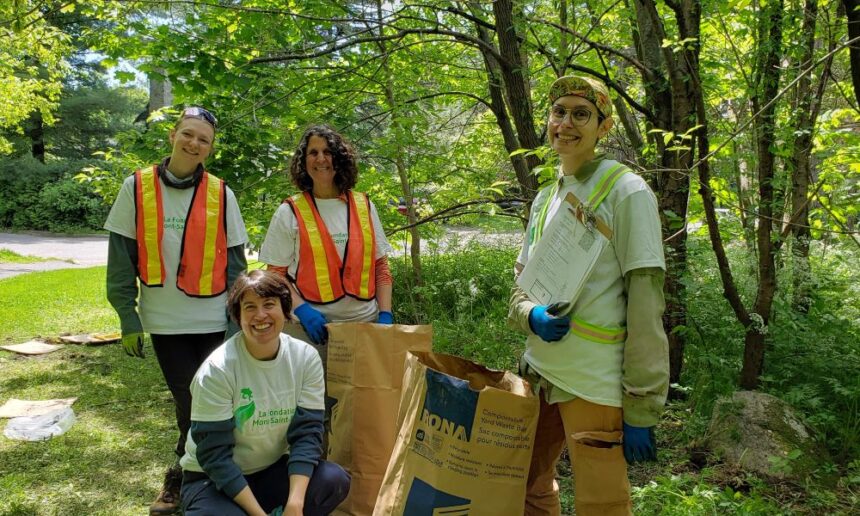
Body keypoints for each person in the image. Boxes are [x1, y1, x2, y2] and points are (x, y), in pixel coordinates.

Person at [508, 75, 669, 516]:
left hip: (594, 382)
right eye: (559, 112)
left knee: (602, 502)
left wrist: (642, 404)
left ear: (604, 126)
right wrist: (531, 314)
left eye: (581, 114)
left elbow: (645, 299)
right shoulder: (546, 198)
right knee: (525, 483)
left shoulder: (627, 191)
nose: (567, 123)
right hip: (540, 372)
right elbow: (521, 285)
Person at [104, 106, 248, 515]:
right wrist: (127, 317)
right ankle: (189, 478)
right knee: (190, 401)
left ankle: (196, 475)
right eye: (188, 134)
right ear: (172, 135)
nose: (194, 143)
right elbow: (120, 258)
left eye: (203, 139)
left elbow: (236, 263)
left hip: (214, 321)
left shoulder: (222, 193)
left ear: (210, 149)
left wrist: (236, 318)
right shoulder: (136, 187)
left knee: (216, 400)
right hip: (165, 321)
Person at [179, 270, 351, 515]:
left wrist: (295, 503)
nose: (260, 315)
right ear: (238, 317)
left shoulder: (305, 358)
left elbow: (307, 434)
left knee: (332, 480)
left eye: (269, 304)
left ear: (285, 311)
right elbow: (215, 457)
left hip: (269, 469)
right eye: (249, 307)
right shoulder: (217, 370)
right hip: (211, 479)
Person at [259, 124, 394, 354]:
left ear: (340, 159)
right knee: (312, 391)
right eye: (313, 153)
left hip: (366, 326)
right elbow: (275, 274)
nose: (321, 159)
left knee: (365, 390)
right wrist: (302, 310)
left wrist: (386, 314)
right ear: (304, 162)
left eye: (328, 152)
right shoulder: (289, 211)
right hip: (312, 331)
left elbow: (380, 267)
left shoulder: (364, 206)